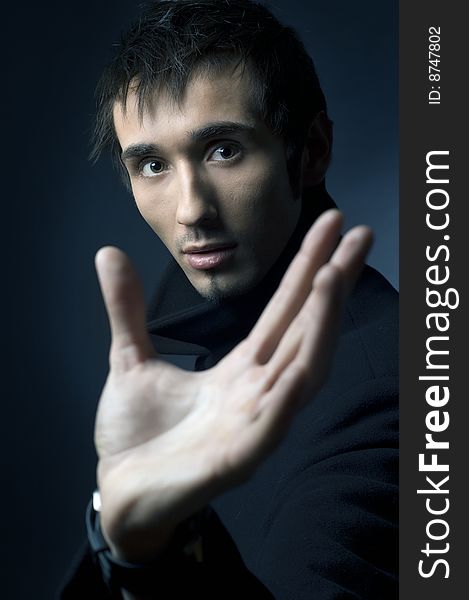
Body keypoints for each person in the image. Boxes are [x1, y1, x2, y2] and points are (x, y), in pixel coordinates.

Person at [59, 1, 398, 598]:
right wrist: (126, 529)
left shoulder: (386, 381)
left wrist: (151, 557)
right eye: (153, 164)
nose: (191, 210)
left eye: (223, 150)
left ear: (311, 150)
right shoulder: (220, 348)